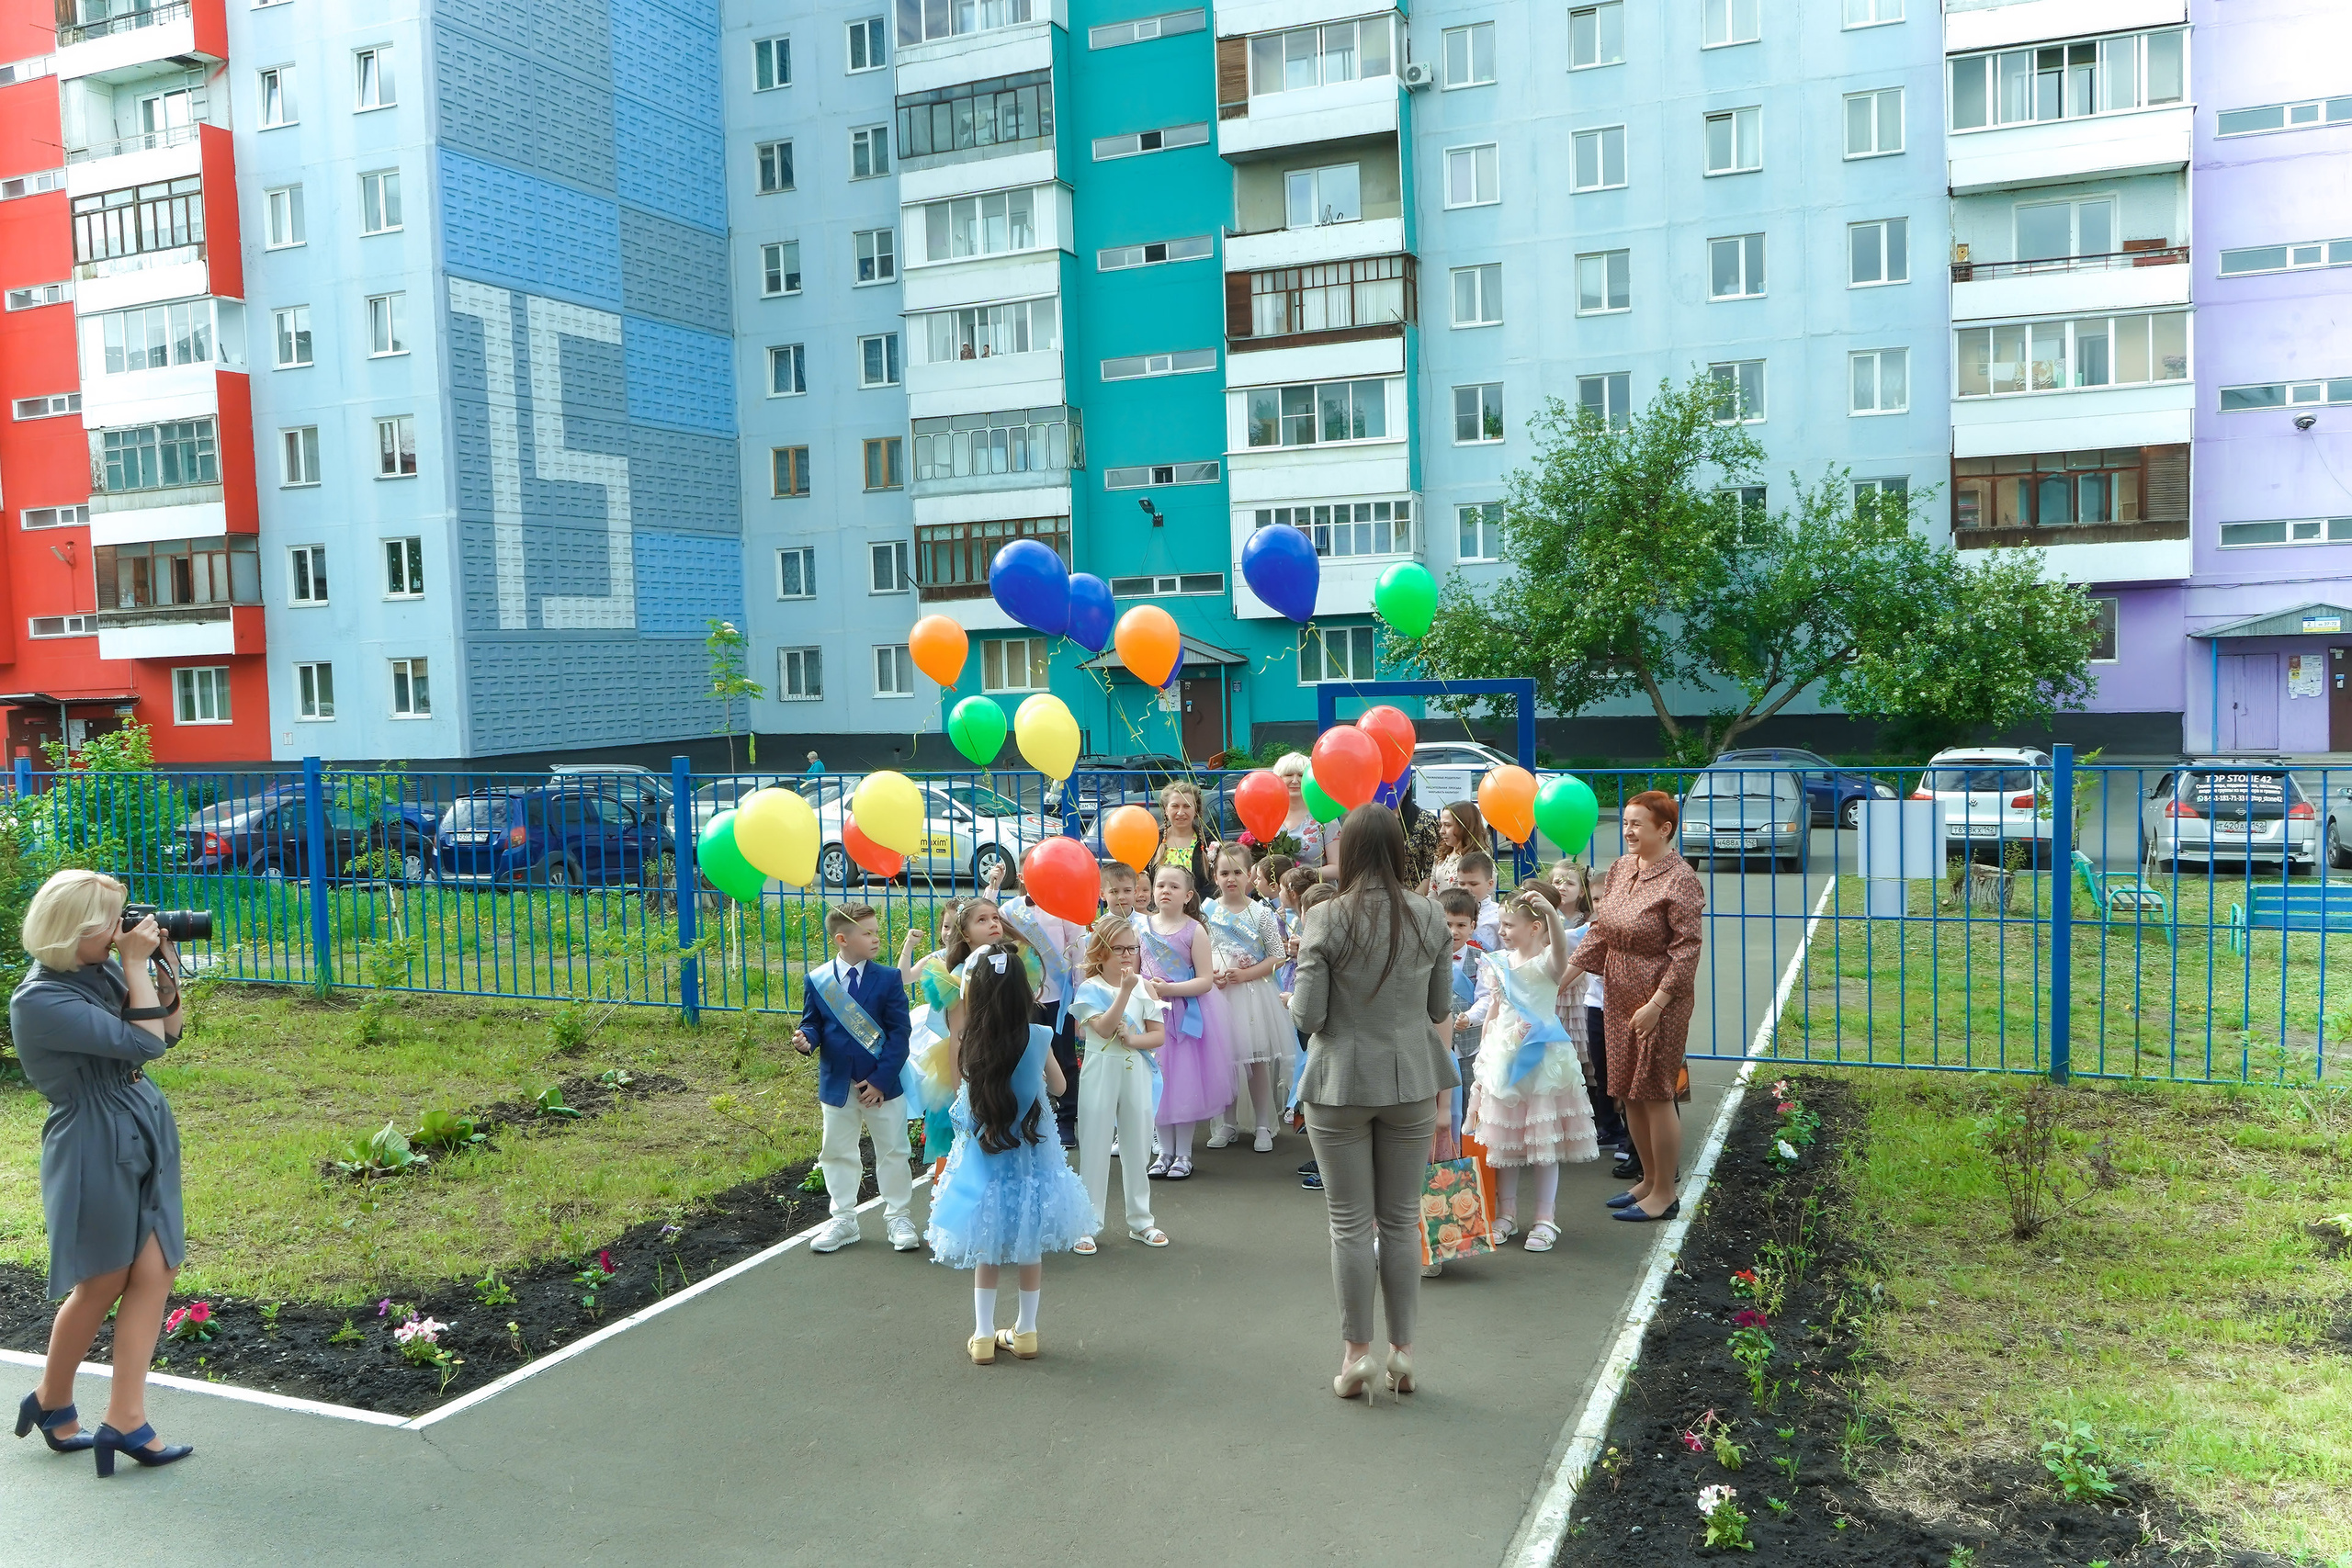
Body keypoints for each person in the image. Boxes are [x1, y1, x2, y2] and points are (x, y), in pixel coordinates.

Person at [10, 870, 196, 1475]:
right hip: (93, 1141)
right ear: (74, 928)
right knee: (103, 1279)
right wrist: (136, 965)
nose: (123, 930)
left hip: (140, 1126)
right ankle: (52, 1398)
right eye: (110, 920)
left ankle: (125, 1415)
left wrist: (161, 965)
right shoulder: (39, 1000)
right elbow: (142, 1045)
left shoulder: (103, 971)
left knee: (156, 1264)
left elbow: (167, 1029)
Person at [1289, 804, 1455, 1401]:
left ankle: (1356, 1353)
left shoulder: (1326, 917)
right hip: (1411, 1077)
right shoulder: (1431, 914)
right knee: (1402, 1219)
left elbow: (1307, 1015)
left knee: (1350, 1225)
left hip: (1338, 1084)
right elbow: (1440, 1007)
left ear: (1351, 850)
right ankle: (1404, 1352)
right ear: (1400, 851)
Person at [925, 944, 1093, 1363]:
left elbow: (963, 1105)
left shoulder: (970, 1040)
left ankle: (983, 1336)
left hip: (984, 1162)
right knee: (1028, 1247)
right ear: (1025, 992)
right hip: (1033, 1161)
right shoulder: (1038, 1036)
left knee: (987, 1247)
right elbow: (1058, 1088)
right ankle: (1028, 1331)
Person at [1564, 790, 1705, 1223]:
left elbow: (1687, 951)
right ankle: (1646, 1179)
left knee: (1657, 1093)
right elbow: (1600, 933)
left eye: (1637, 823)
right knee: (1628, 1092)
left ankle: (1665, 1192)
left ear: (1664, 829)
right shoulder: (1623, 868)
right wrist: (1557, 981)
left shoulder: (1680, 879)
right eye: (1625, 822)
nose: (1628, 830)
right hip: (1619, 990)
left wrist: (1658, 1004)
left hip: (1659, 997)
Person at [1464, 891, 1598, 1252]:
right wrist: (1484, 1053)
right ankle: (1506, 1215)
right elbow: (1494, 1009)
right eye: (1502, 924)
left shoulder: (1548, 964)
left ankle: (1545, 1218)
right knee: (1504, 1142)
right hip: (1503, 1060)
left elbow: (1559, 951)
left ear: (1535, 927)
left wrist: (1553, 913)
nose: (1502, 930)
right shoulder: (1497, 962)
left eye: (1509, 925)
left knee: (1544, 1145)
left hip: (1544, 1063)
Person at [795, 904, 920, 1253]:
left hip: (882, 1085)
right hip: (837, 1084)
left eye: (876, 930)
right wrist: (807, 1039)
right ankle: (844, 1220)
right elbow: (814, 1023)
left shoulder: (888, 979)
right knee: (836, 1152)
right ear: (842, 939)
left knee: (893, 1149)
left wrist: (880, 1080)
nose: (876, 937)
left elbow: (899, 1033)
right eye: (867, 932)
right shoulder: (818, 980)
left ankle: (898, 1216)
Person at [1069, 917, 1168, 1251]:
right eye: (1119, 949)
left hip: (1136, 1069)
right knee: (1095, 1143)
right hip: (1100, 1069)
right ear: (1100, 952)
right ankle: (1087, 1223)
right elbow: (1105, 1029)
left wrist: (1135, 1039)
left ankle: (1141, 1221)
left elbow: (1158, 1036)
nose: (1127, 955)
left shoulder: (1145, 986)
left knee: (1138, 1143)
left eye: (1132, 948)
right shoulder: (1090, 989)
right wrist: (1124, 992)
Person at [1138, 863, 1228, 1179]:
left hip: (1185, 1017)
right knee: (1158, 1084)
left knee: (1184, 1083)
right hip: (1153, 1017)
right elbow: (1135, 973)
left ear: (1188, 895)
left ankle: (1184, 1154)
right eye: (1160, 884)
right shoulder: (1142, 928)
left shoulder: (1195, 930)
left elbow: (1205, 980)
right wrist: (1147, 988)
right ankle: (1163, 1152)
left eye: (1174, 887)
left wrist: (1170, 989)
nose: (1165, 890)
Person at [1204, 843, 1292, 1153]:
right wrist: (1210, 976)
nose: (1230, 878)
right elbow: (1198, 955)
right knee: (1224, 1062)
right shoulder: (1207, 912)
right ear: (1215, 876)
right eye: (1224, 872)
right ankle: (1226, 1124)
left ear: (1250, 875)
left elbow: (1277, 956)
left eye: (1237, 872)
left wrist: (1248, 973)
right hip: (1218, 995)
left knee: (1256, 1062)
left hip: (1253, 996)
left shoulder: (1260, 914)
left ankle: (1263, 1124)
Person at [1551, 860, 1630, 1162]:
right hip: (1596, 1006)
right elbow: (1577, 955)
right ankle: (1610, 1128)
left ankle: (1629, 1137)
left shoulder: (1625, 927)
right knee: (1603, 1070)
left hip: (1625, 1008)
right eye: (1596, 899)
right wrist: (1552, 988)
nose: (1601, 904)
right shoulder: (1591, 929)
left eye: (1606, 897)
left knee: (1624, 1076)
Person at [1148, 779, 1219, 902]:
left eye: (1187, 806)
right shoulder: (1153, 840)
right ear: (1166, 809)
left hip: (1197, 912)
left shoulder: (1209, 842)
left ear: (1196, 809)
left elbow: (1214, 883)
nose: (1181, 812)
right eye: (1175, 806)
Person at [1269, 752, 1328, 868]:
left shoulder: (1325, 817)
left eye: (1301, 775)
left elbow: (1338, 868)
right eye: (1289, 775)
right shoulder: (1269, 818)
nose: (1295, 781)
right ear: (1279, 778)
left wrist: (1300, 875)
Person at [1430, 802, 1493, 892]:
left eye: (1448, 825)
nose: (1441, 831)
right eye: (1441, 825)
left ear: (1465, 826)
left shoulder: (1482, 860)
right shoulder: (1442, 855)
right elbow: (1432, 892)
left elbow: (1486, 897)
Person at [1454, 851, 1501, 949]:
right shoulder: (1451, 910)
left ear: (1490, 884)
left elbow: (1507, 949)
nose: (1466, 889)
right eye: (1462, 884)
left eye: (1473, 884)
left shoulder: (1498, 914)